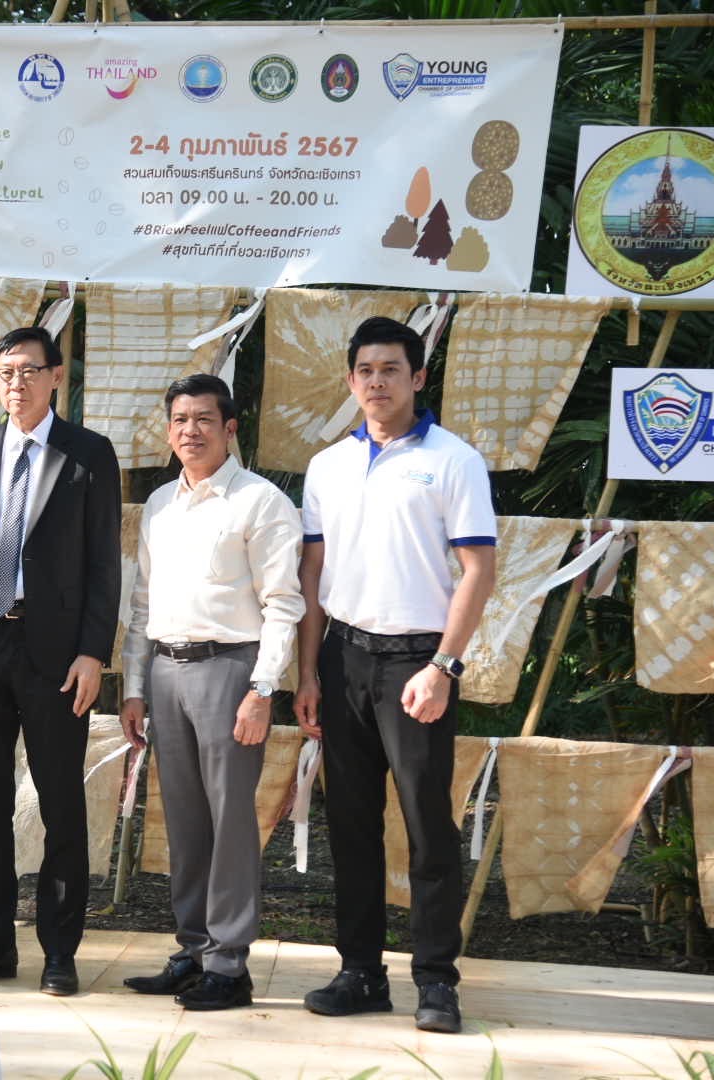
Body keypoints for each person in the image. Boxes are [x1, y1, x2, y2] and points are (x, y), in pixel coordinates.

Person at [293, 316, 497, 1034]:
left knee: (426, 825)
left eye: (390, 369)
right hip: (343, 657)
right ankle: (361, 972)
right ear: (350, 381)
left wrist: (444, 665)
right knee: (350, 825)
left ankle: (437, 982)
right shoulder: (327, 466)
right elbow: (312, 573)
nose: (376, 382)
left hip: (418, 662)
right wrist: (307, 672)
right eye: (365, 370)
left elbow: (479, 569)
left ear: (417, 377)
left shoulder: (453, 460)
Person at [0, 326, 122, 997]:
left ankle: (59, 951)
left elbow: (104, 563)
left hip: (58, 655)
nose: (17, 383)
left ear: (56, 376)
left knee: (61, 804)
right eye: (6, 372)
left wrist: (93, 653)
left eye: (29, 370)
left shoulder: (88, 454)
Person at [117, 374, 303, 1011]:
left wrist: (262, 688)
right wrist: (134, 686)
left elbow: (284, 603)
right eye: (179, 420)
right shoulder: (160, 503)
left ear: (229, 429)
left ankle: (230, 964)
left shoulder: (260, 502)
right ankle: (193, 951)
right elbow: (142, 603)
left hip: (231, 670)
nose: (189, 430)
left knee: (230, 821)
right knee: (185, 820)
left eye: (203, 419)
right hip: (166, 671)